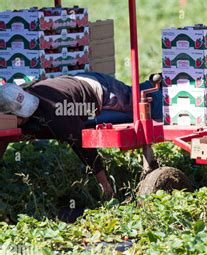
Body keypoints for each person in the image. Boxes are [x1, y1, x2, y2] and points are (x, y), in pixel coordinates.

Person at [0, 72, 162, 199]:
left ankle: (164, 87)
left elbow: (82, 146)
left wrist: (104, 186)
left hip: (100, 88)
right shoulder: (19, 95)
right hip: (73, 85)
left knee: (145, 103)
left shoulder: (56, 113)